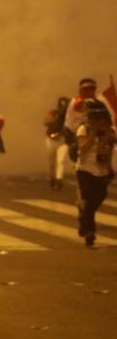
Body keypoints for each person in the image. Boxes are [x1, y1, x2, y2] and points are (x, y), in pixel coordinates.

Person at [74, 100, 115, 247]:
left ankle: (83, 219)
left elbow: (109, 150)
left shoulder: (110, 131)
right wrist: (92, 135)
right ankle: (89, 232)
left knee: (97, 198)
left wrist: (110, 168)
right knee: (87, 199)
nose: (98, 123)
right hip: (85, 169)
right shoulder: (83, 130)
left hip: (101, 170)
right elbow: (82, 149)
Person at [44, 96, 71, 190]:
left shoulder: (70, 116)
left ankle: (59, 179)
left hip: (63, 140)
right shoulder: (53, 113)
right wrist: (58, 116)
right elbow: (47, 122)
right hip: (51, 139)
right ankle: (52, 177)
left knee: (61, 160)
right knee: (51, 161)